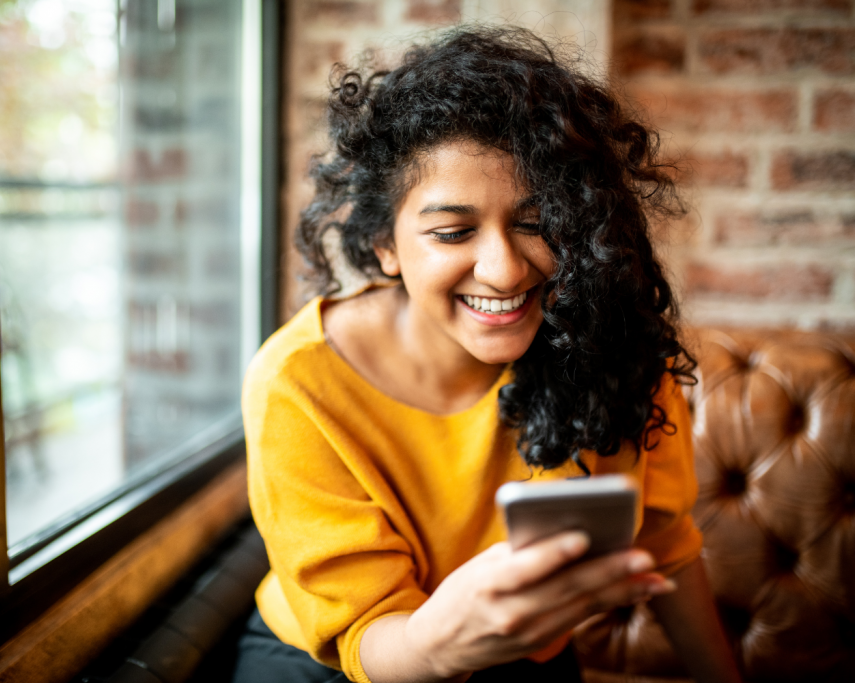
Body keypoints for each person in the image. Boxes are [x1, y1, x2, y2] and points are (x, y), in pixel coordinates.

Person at [234, 26, 741, 683]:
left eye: (536, 223)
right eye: (453, 231)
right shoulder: (298, 382)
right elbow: (365, 632)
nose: (503, 271)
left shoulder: (611, 343)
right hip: (336, 661)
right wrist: (443, 644)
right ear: (384, 244)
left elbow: (667, 545)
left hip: (517, 657)